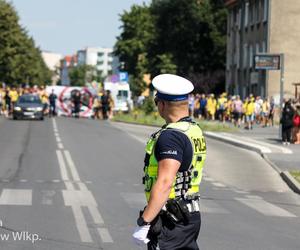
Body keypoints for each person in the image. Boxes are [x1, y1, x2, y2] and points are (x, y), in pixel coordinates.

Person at [132, 74, 207, 250]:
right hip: (189, 215)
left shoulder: (171, 137)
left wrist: (144, 221)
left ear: (162, 104)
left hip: (171, 221)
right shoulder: (193, 130)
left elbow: (166, 181)